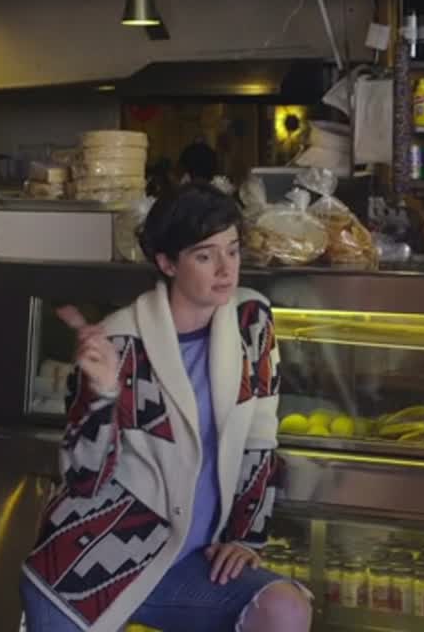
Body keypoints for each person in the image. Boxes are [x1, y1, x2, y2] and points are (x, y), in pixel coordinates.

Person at [18, 183, 311, 632]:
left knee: (285, 608)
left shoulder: (251, 320)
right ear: (167, 263)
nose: (225, 269)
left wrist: (246, 537)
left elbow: (259, 436)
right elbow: (82, 480)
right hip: (94, 565)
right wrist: (101, 396)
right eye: (204, 256)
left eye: (232, 251)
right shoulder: (118, 342)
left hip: (187, 564)